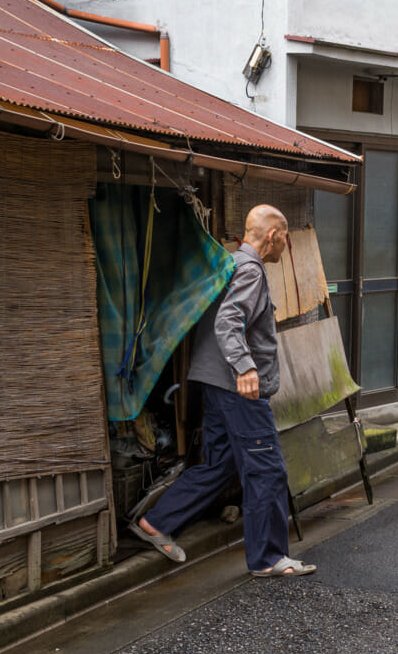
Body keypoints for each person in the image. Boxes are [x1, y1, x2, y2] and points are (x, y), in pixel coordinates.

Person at [129, 204, 316, 578]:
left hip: (214, 384)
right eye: (285, 237)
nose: (287, 244)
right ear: (273, 236)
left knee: (220, 464)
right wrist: (246, 367)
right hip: (238, 389)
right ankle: (268, 558)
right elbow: (230, 322)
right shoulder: (250, 270)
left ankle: (156, 521)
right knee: (266, 469)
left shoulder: (229, 264)